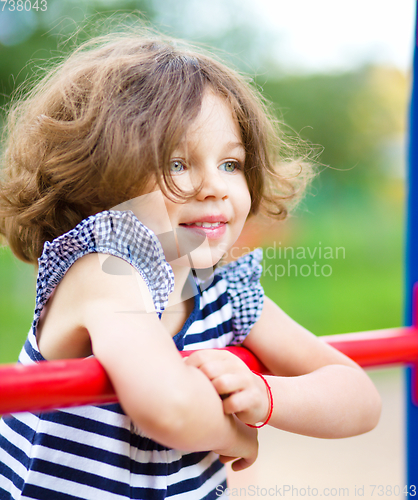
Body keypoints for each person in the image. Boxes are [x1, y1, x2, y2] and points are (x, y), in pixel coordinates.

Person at [0, 29, 381, 500]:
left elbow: (359, 397)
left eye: (231, 164)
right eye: (178, 164)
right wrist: (234, 435)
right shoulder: (101, 274)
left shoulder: (221, 292)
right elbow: (173, 408)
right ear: (100, 175)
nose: (215, 187)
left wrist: (266, 397)